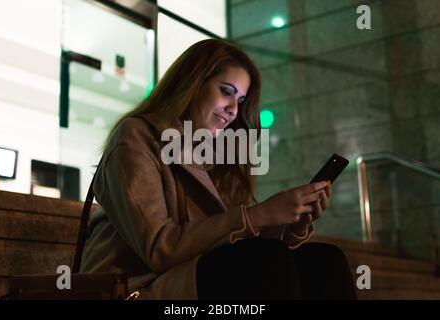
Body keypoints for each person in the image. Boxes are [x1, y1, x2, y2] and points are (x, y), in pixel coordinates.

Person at [79, 39, 357, 300]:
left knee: (323, 260)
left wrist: (289, 223)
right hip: (136, 289)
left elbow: (232, 239)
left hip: (192, 280)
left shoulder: (217, 156)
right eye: (226, 91)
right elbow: (160, 249)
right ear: (193, 83)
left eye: (242, 100)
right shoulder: (137, 136)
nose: (234, 109)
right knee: (265, 263)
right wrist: (258, 214)